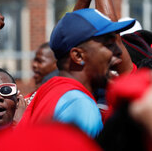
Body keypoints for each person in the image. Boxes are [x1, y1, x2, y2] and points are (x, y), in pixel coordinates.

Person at [18, 8, 135, 138]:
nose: (119, 51)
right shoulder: (80, 106)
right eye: (108, 45)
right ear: (78, 56)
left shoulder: (49, 89)